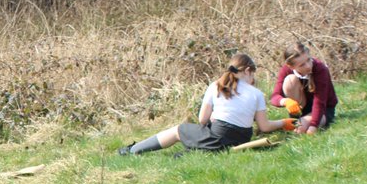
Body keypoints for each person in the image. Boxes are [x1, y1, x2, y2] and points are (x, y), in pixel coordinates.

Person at [118, 53, 294, 155]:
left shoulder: (216, 86)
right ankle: (195, 151)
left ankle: (133, 150)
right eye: (253, 74)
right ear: (248, 71)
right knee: (205, 138)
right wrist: (284, 123)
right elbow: (264, 126)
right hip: (242, 139)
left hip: (219, 136)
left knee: (179, 130)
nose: (253, 79)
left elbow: (203, 120)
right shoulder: (256, 94)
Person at [270, 42, 338, 135]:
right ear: (291, 66)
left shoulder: (320, 69)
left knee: (300, 127)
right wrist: (285, 102)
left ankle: (296, 124)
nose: (308, 66)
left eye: (308, 60)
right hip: (301, 109)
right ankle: (294, 119)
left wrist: (313, 126)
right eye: (302, 65)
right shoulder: (286, 70)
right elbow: (274, 97)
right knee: (290, 80)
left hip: (324, 109)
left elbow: (319, 102)